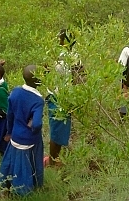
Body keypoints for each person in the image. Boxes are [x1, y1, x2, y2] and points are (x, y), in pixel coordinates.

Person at [0, 65, 44, 197]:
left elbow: (10, 114)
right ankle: (23, 191)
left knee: (11, 162)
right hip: (29, 139)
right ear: (39, 81)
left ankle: (5, 185)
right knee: (27, 165)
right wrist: (33, 127)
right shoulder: (38, 100)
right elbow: (36, 123)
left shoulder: (16, 91)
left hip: (16, 135)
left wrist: (9, 131)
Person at [45, 29, 85, 167]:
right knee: (58, 129)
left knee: (58, 129)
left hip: (56, 96)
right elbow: (80, 79)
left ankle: (53, 160)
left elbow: (44, 72)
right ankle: (53, 160)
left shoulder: (55, 55)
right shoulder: (74, 56)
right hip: (64, 96)